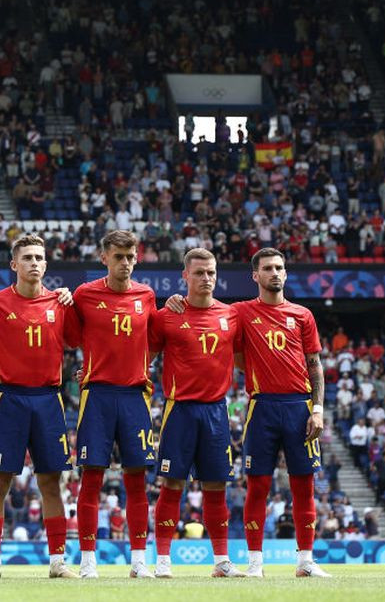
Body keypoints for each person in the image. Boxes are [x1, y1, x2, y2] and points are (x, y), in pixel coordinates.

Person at [167, 247, 330, 577]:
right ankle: (255, 564)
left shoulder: (303, 315)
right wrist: (176, 300)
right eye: (268, 268)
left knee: (304, 487)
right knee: (258, 486)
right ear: (254, 276)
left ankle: (306, 562)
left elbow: (315, 366)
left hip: (300, 408)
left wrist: (318, 409)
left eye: (280, 267)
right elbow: (207, 315)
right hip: (262, 407)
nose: (275, 273)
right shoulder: (238, 313)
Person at [0, 234, 80, 579]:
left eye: (39, 257)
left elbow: (77, 340)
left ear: (46, 264)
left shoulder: (61, 304)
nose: (34, 262)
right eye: (27, 257)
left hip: (48, 400)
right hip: (9, 399)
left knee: (51, 483)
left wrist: (72, 301)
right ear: (13, 265)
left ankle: (58, 562)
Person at [149, 248, 247, 578]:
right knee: (171, 484)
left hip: (217, 412)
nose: (206, 278)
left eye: (211, 273)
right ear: (185, 276)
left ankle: (221, 561)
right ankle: (163, 560)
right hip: (179, 410)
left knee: (216, 487)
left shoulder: (232, 315)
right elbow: (140, 355)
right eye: (200, 273)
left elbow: (248, 357)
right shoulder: (167, 315)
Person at [71, 229, 156, 579]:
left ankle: (139, 560)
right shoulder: (84, 295)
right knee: (91, 478)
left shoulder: (148, 296)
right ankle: (88, 559)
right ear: (103, 257)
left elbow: (159, 338)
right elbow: (68, 333)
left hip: (135, 396)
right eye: (118, 256)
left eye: (130, 256)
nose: (125, 263)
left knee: (137, 480)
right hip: (98, 395)